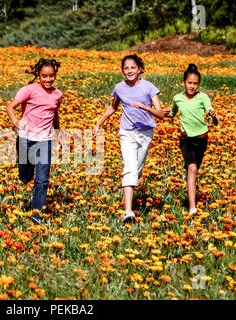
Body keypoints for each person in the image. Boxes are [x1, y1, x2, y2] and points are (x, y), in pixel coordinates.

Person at [93, 54, 170, 222]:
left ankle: (131, 201)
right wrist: (99, 123)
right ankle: (128, 212)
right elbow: (112, 107)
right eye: (126, 68)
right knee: (130, 168)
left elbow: (160, 114)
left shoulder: (149, 87)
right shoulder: (119, 88)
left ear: (140, 69)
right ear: (122, 70)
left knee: (137, 171)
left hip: (145, 133)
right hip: (127, 132)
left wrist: (145, 107)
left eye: (133, 68)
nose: (129, 71)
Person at [6, 58, 63, 224]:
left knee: (42, 180)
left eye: (51, 76)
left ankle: (36, 215)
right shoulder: (28, 90)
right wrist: (16, 122)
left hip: (44, 140)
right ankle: (25, 174)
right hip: (25, 138)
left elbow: (54, 114)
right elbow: (10, 107)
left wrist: (57, 132)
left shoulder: (57, 95)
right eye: (44, 76)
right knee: (25, 175)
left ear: (55, 75)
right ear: (38, 75)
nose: (48, 79)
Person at [170, 63, 218, 214]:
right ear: (183, 82)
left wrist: (214, 117)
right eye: (189, 83)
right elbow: (171, 113)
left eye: (195, 83)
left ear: (199, 84)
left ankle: (191, 199)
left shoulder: (203, 97)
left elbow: (214, 122)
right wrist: (152, 111)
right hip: (186, 140)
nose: (192, 86)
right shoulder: (177, 98)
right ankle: (192, 207)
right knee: (192, 168)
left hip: (202, 139)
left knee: (194, 170)